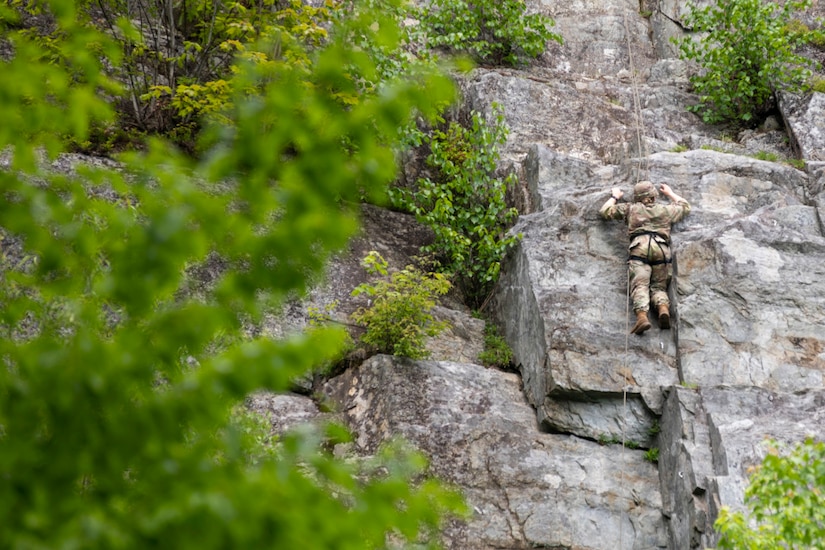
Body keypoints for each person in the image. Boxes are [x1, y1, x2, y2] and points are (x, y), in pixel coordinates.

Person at [599, 181, 691, 335]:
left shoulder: (630, 208)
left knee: (640, 284)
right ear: (653, 195)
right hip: (662, 249)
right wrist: (670, 193)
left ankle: (642, 316)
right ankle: (663, 308)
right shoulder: (665, 210)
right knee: (659, 286)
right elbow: (685, 206)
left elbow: (605, 211)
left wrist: (615, 196)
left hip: (640, 248)